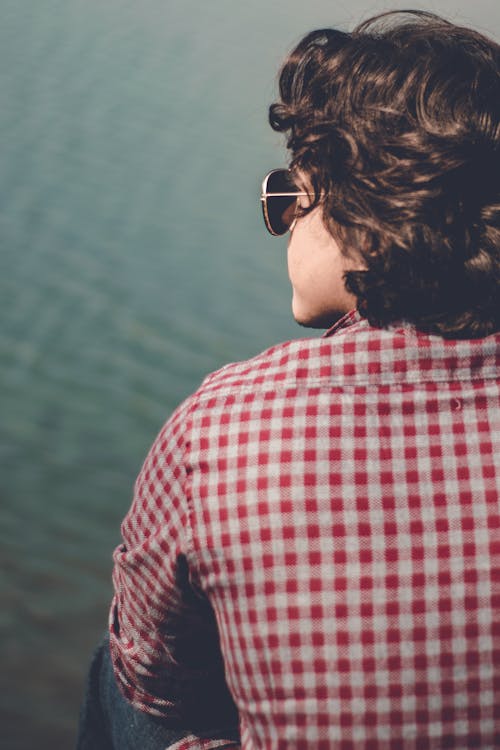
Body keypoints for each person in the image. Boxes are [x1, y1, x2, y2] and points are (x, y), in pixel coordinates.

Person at [77, 10, 500, 749]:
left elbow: (152, 680)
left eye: (288, 194)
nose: (281, 223)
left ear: (352, 209)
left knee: (116, 676)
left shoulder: (226, 424)